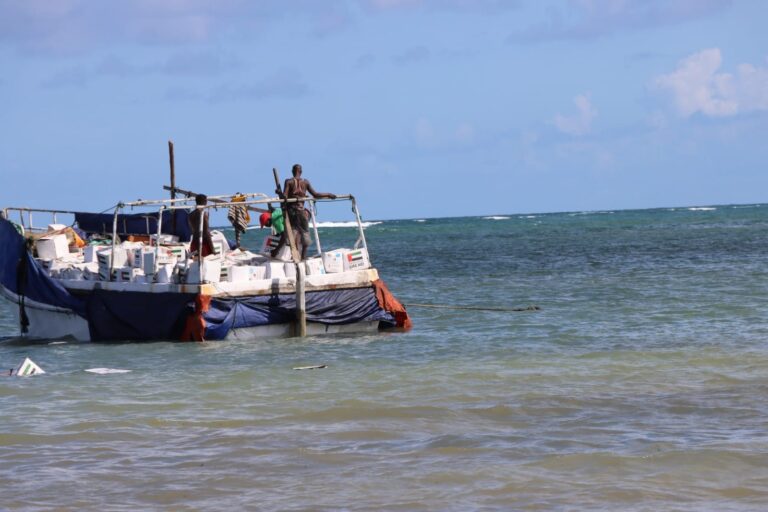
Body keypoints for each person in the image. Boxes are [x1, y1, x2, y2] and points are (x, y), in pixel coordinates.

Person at [279, 163, 336, 260]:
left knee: (292, 232)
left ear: (292, 171)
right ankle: (303, 256)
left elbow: (284, 196)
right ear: (301, 172)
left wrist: (278, 192)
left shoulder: (288, 182)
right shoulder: (305, 182)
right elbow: (316, 194)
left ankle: (293, 255)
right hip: (301, 211)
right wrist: (329, 194)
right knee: (305, 232)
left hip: (291, 211)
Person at [188, 194, 215, 258]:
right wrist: (213, 249)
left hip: (194, 244)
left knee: (195, 264)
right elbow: (206, 232)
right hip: (203, 245)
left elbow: (193, 230)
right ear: (205, 202)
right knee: (205, 266)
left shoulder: (190, 215)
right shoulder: (203, 214)